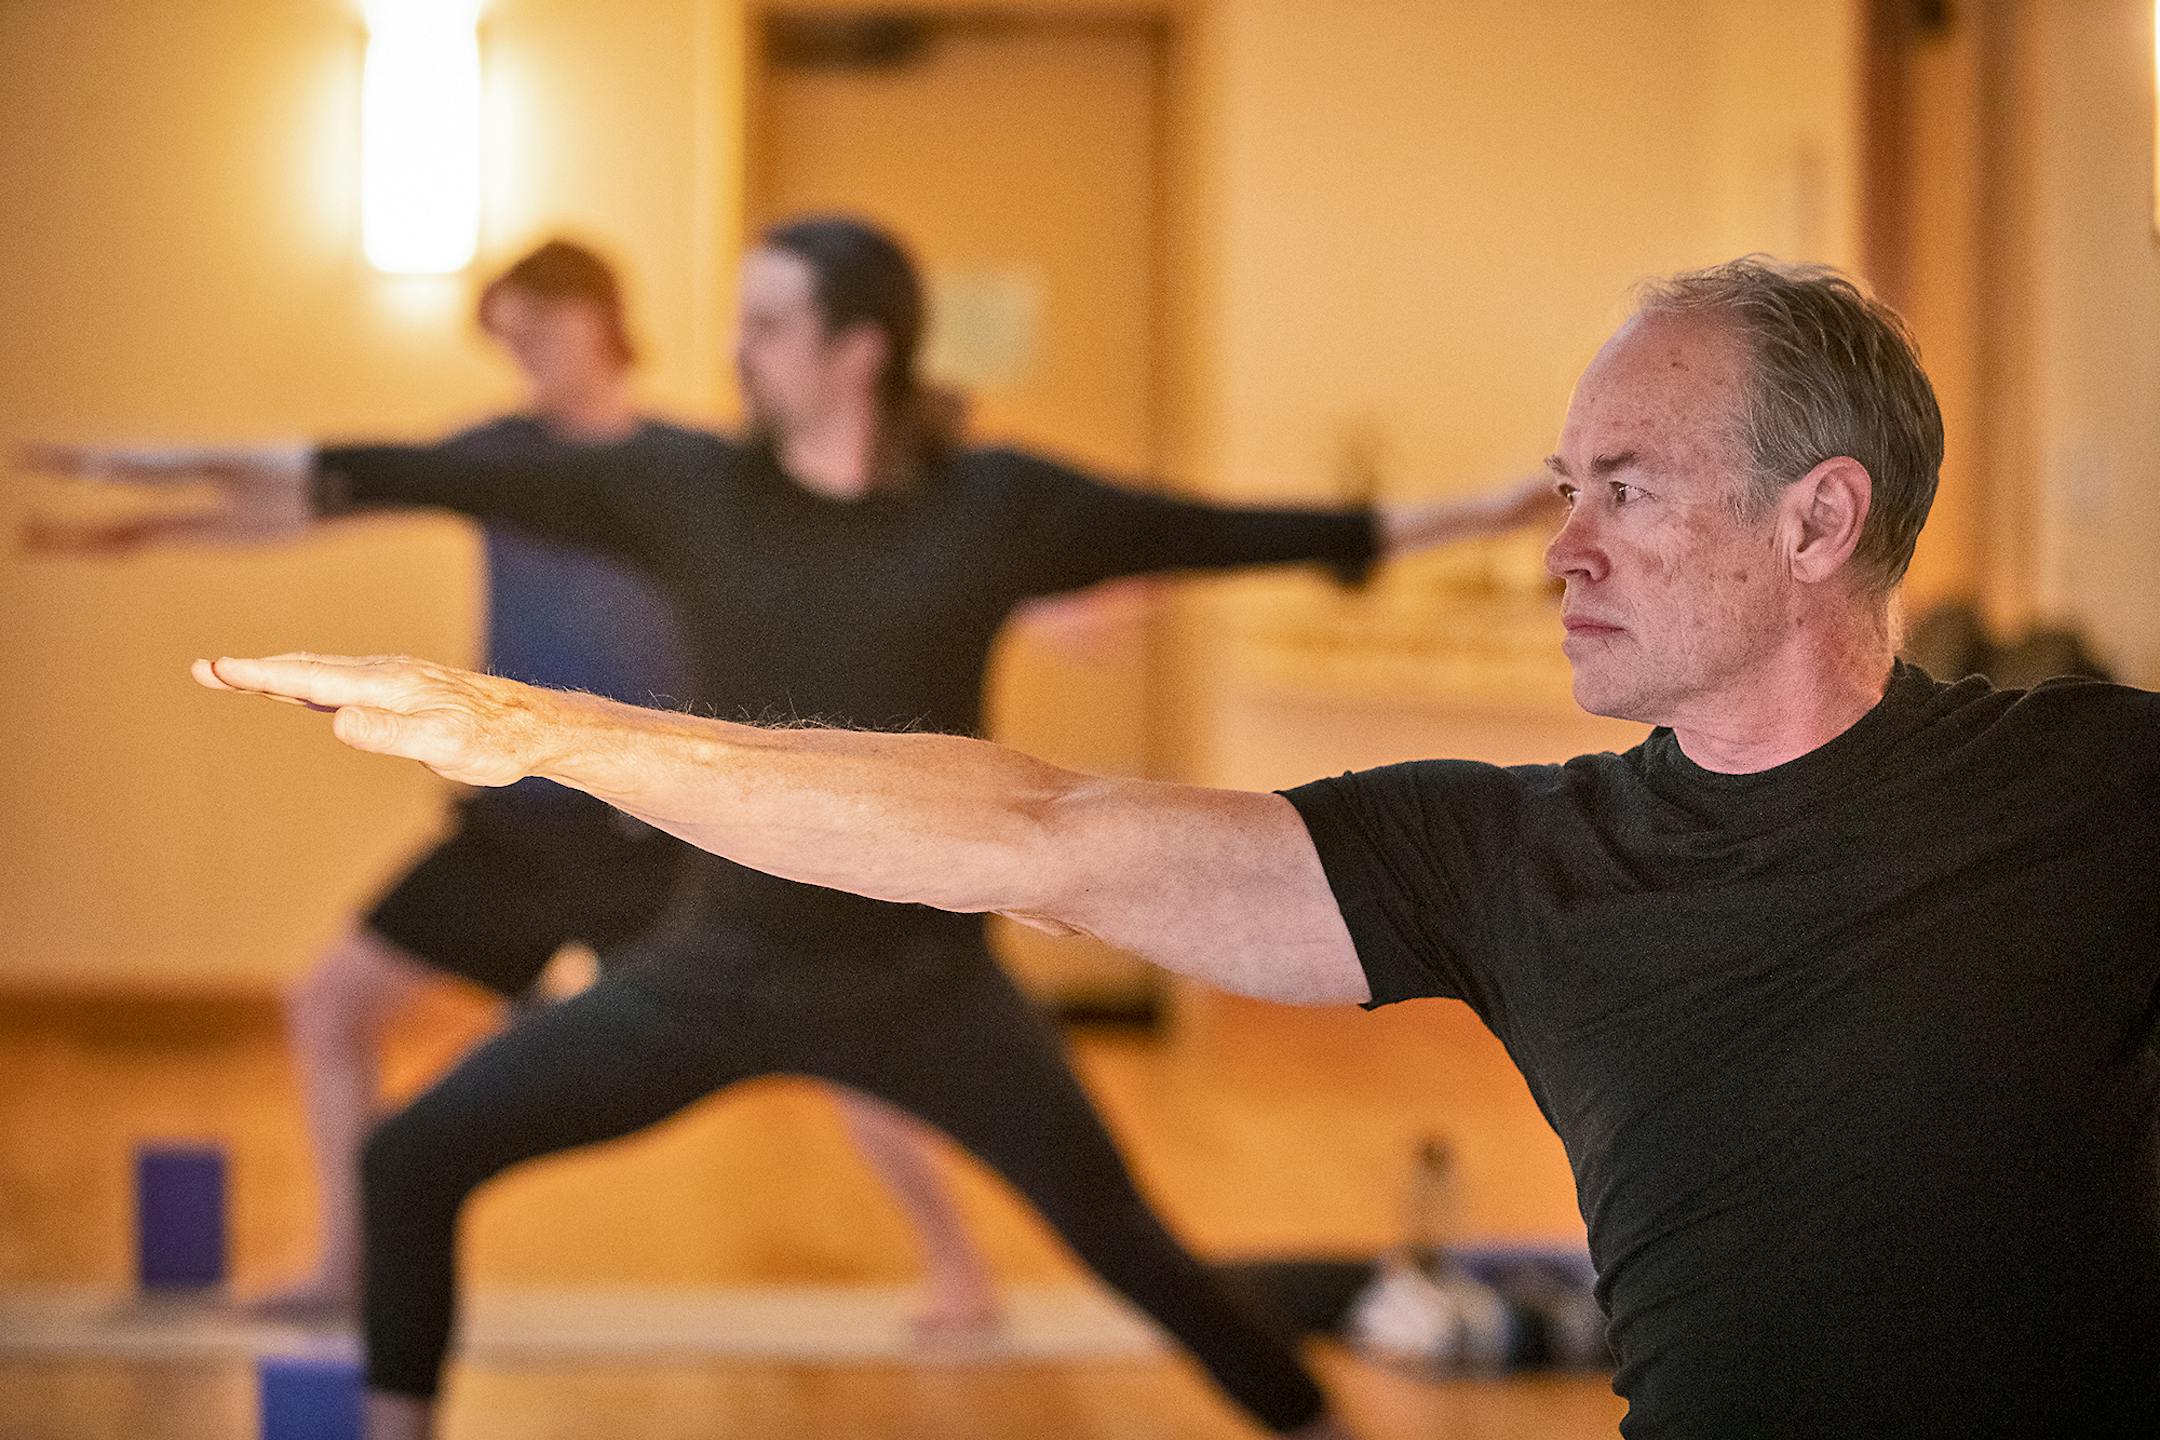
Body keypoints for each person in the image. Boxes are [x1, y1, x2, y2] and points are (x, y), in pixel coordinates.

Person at [190, 256, 2159, 1440]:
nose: (1561, 549)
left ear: (1820, 520)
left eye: (1626, 490)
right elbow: (1037, 833)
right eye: (1564, 490)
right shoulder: (1508, 862)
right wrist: (550, 734)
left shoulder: (2099, 794)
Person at [34, 214, 1555, 1440]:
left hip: (926, 989)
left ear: (856, 347)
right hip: (716, 968)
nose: (734, 350)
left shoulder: (994, 509)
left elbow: (1236, 531)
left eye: (765, 324)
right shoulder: (688, 492)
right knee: (415, 1159)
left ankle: (1313, 1424)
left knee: (1145, 1260)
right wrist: (178, 472)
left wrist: (1484, 510)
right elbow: (421, 472)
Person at [23, 236, 1006, 1336]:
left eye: (540, 327)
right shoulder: (497, 457)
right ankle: (346, 1264)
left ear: (599, 318)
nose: (525, 353)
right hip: (517, 823)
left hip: (660, 830)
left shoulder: (688, 469)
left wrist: (1035, 594)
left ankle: (958, 1268)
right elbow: (321, 497)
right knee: (331, 1005)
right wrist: (159, 524)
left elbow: (861, 542)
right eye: (508, 337)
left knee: (829, 1032)